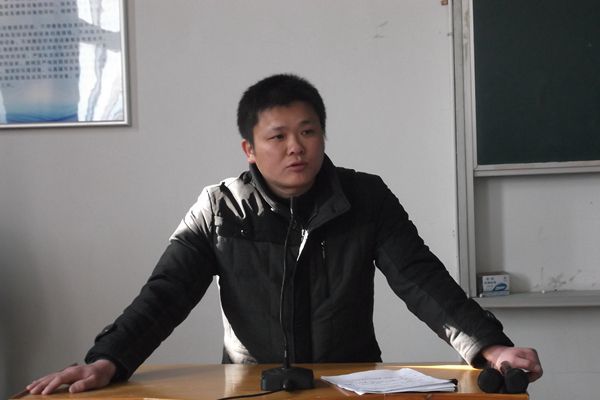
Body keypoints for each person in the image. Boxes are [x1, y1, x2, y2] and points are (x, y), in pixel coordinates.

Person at [27, 74, 543, 395]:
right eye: (278, 136)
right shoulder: (219, 208)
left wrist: (490, 347)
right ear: (250, 149)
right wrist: (107, 360)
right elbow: (165, 294)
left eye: (308, 131)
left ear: (323, 135)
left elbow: (421, 279)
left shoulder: (366, 198)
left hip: (349, 385)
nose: (296, 147)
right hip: (249, 385)